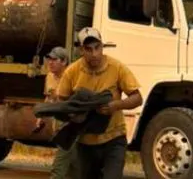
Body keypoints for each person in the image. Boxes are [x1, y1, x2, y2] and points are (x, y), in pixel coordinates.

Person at [55, 28, 142, 179]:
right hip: (85, 142)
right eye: (88, 49)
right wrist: (75, 114)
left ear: (102, 46)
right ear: (81, 50)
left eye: (97, 48)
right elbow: (61, 101)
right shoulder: (72, 71)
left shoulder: (117, 68)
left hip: (114, 139)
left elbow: (137, 98)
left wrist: (115, 105)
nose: (94, 54)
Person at [34, 47, 79, 179]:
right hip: (58, 125)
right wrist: (40, 117)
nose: (50, 63)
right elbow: (49, 97)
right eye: (49, 59)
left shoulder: (73, 77)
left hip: (71, 125)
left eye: (55, 59)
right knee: (73, 166)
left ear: (64, 62)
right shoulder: (49, 76)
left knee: (59, 167)